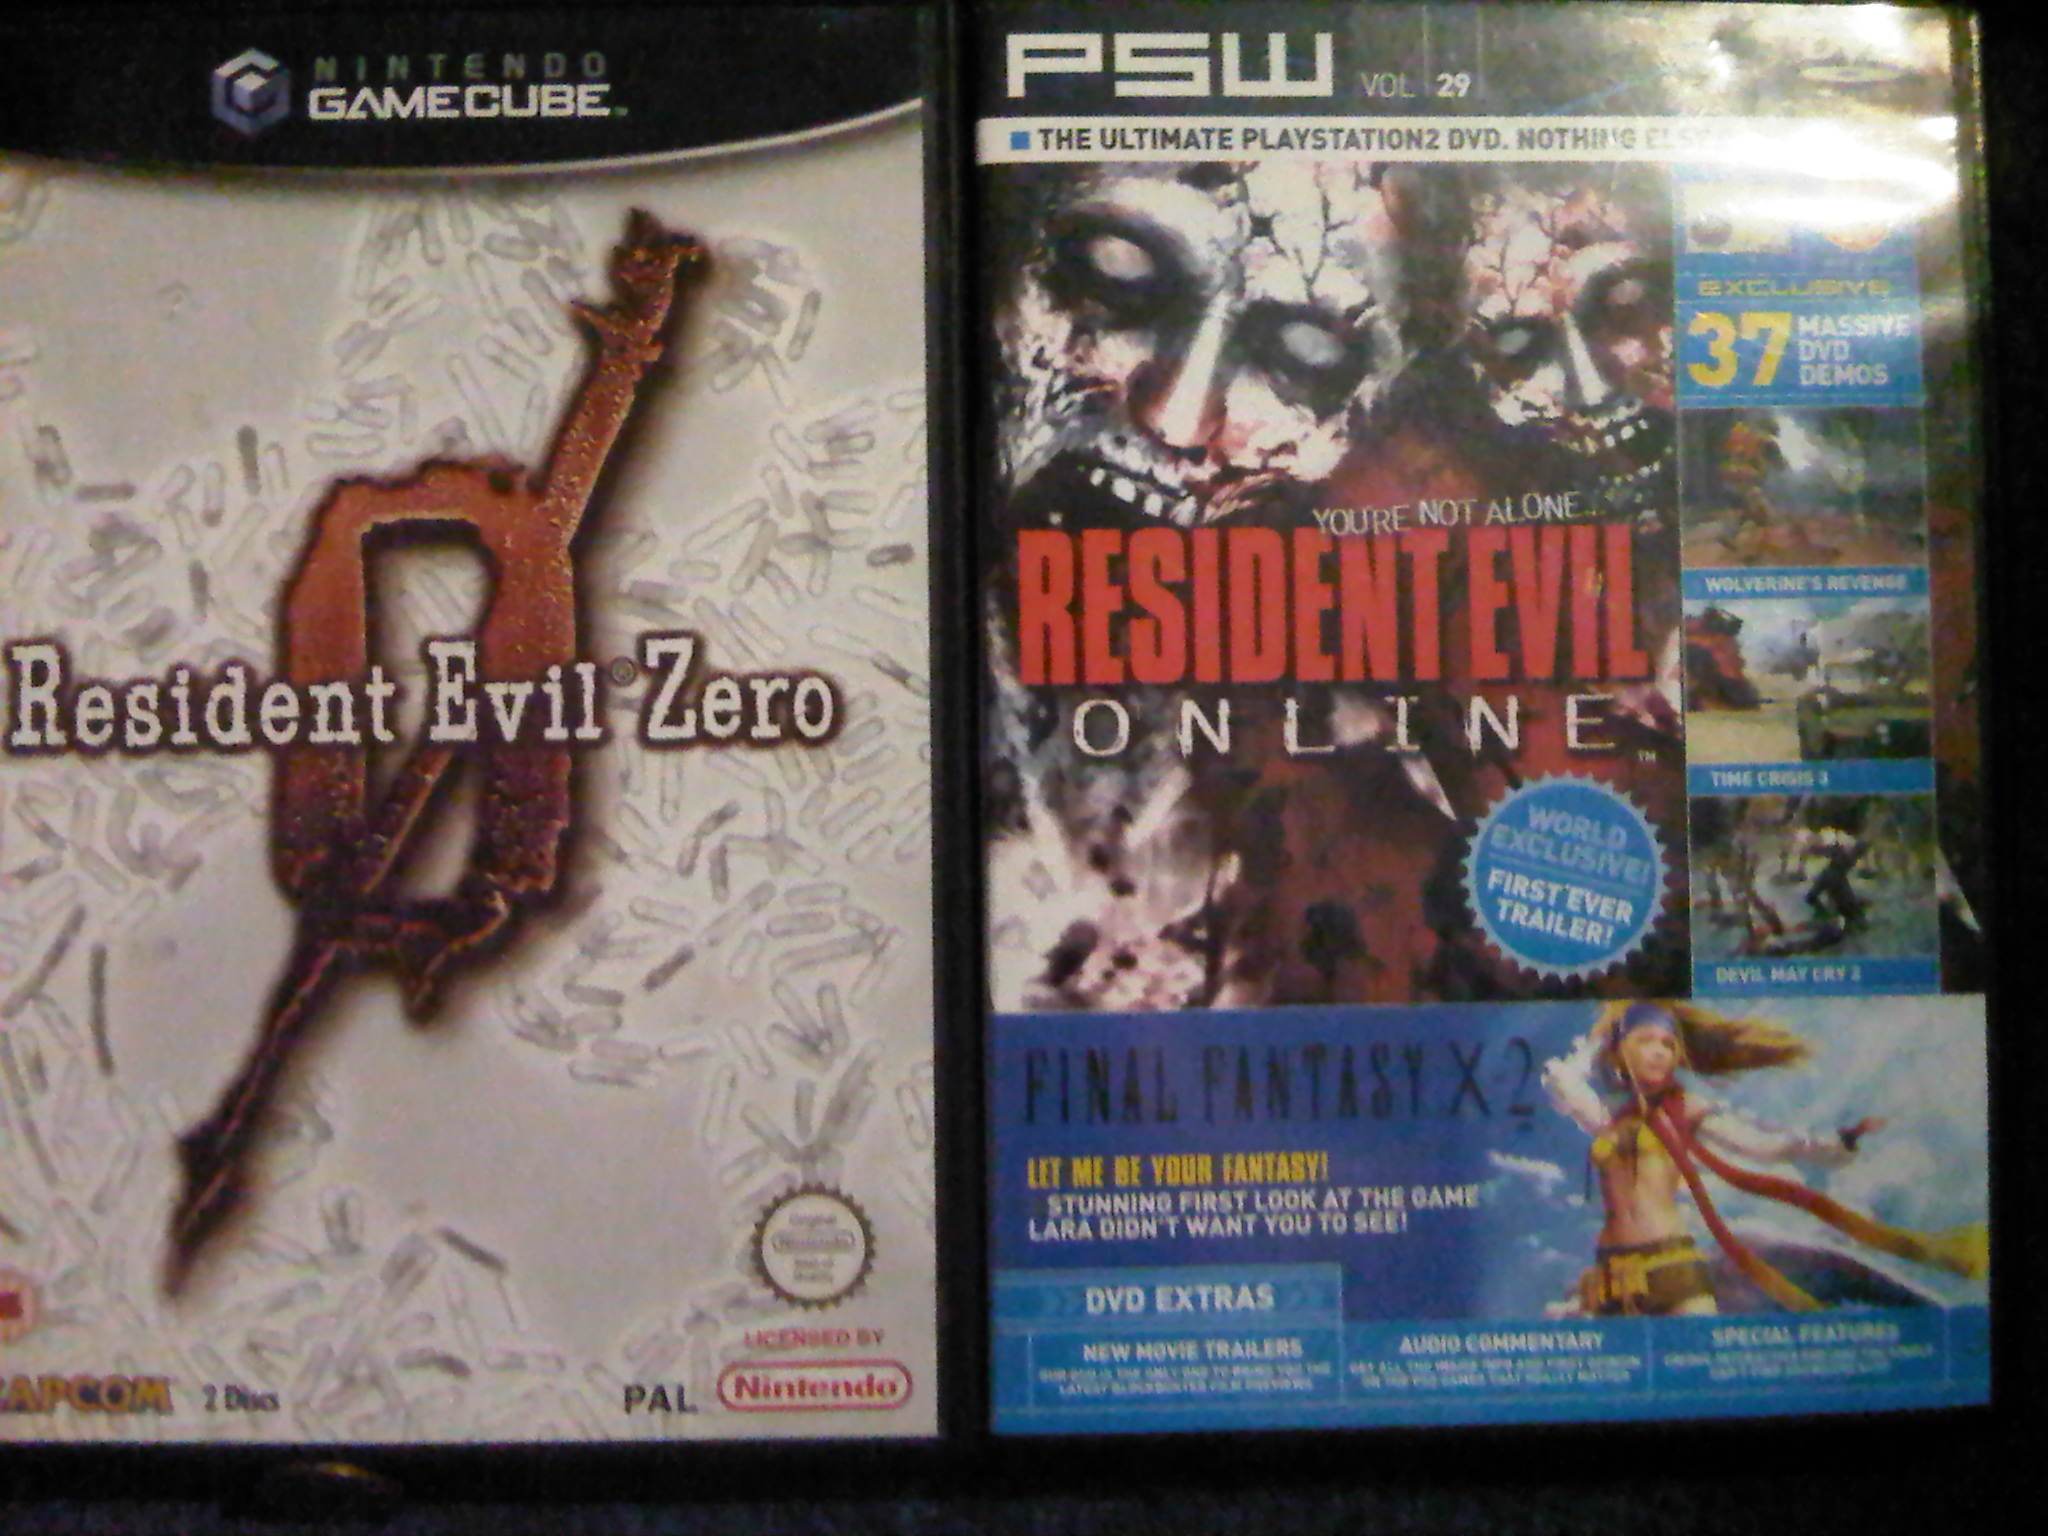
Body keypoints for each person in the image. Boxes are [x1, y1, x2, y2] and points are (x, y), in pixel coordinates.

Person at [1542, 1001, 1984, 1315]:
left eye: (1668, 1044)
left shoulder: (1685, 1109)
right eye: (1645, 1041)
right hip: (1613, 1272)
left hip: (1670, 1265)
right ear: (1621, 1051)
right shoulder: (1614, 1122)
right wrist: (1581, 1062)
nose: (1659, 1051)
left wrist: (1835, 1143)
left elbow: (1763, 1146)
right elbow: (1571, 1094)